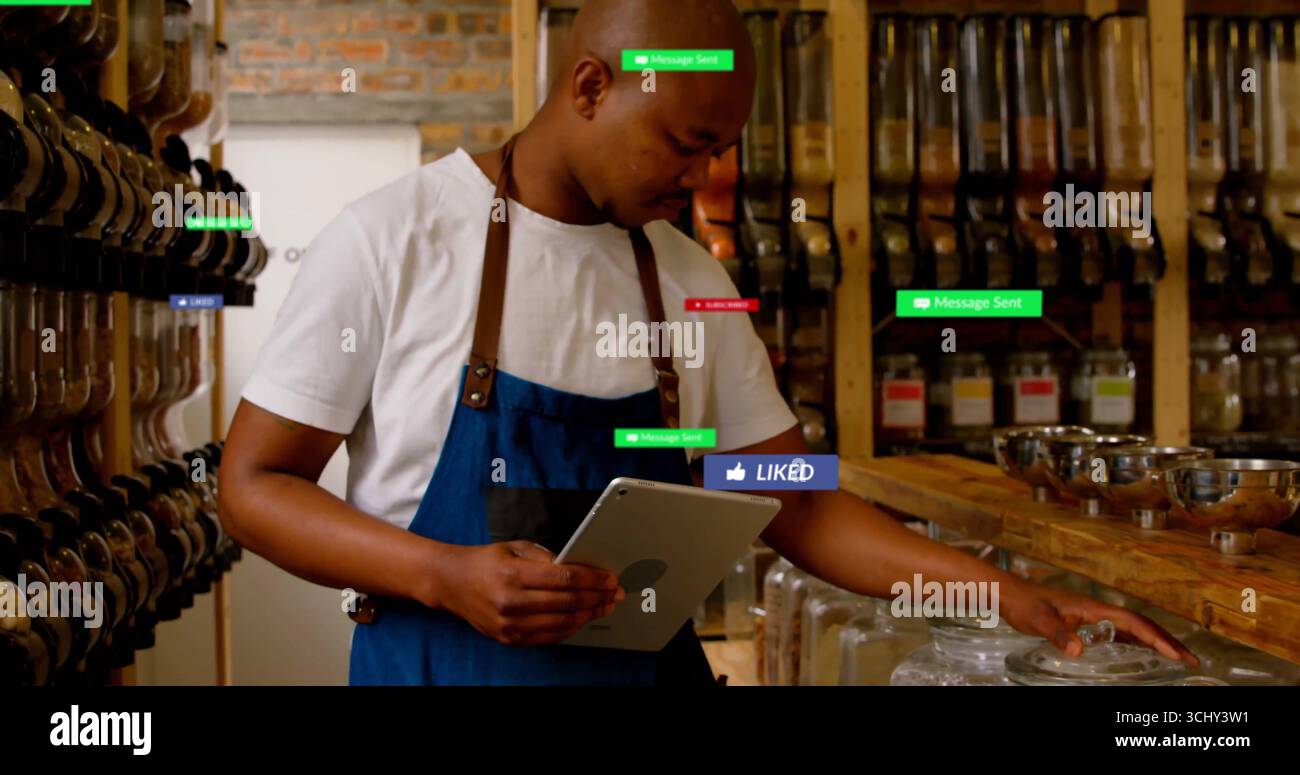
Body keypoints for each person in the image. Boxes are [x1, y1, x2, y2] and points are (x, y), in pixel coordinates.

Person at [220, 0, 1196, 685]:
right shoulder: (396, 237)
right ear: (592, 86)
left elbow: (796, 508)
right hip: (438, 669)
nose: (702, 175)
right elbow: (253, 486)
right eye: (685, 141)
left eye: (722, 147)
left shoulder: (688, 277)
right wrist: (443, 573)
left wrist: (1014, 600)